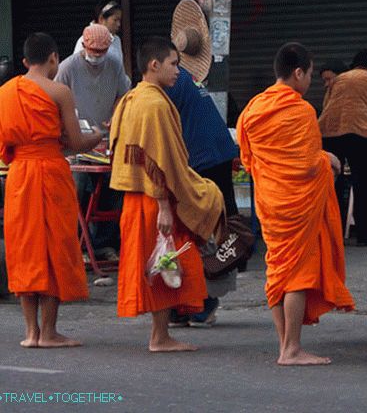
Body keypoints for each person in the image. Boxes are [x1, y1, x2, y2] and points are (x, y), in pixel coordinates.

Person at [237, 43, 354, 366]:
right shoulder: (301, 111)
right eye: (311, 74)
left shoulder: (253, 108)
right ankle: (292, 349)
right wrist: (326, 158)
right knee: (298, 274)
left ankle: (284, 345)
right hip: (297, 205)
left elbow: (247, 157)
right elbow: (305, 164)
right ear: (298, 72)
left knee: (278, 270)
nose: (311, 81)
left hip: (270, 202)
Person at [109, 37, 224, 352]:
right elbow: (160, 160)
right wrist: (164, 206)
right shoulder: (156, 104)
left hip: (134, 199)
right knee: (164, 265)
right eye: (173, 64)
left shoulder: (130, 100)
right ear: (154, 65)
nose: (178, 71)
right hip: (155, 200)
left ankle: (162, 333)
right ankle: (160, 337)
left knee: (159, 264)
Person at [0, 33, 102, 348]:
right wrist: (97, 135)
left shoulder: (6, 92)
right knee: (55, 247)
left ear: (25, 61)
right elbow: (74, 141)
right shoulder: (59, 91)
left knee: (25, 249)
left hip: (18, 176)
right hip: (51, 172)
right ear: (55, 58)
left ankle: (30, 333)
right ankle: (50, 332)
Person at [165, 67, 240, 328]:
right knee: (208, 231)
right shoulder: (182, 76)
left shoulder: (170, 82)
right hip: (212, 153)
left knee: (204, 232)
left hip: (203, 159)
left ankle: (203, 302)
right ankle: (188, 302)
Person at [56, 23, 131, 259]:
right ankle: (77, 242)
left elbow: (124, 95)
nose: (97, 56)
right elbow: (55, 102)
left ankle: (104, 243)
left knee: (114, 185)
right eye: (93, 51)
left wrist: (117, 116)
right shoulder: (68, 67)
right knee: (76, 188)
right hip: (76, 141)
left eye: (102, 52)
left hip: (105, 139)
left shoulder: (115, 65)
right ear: (84, 45)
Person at [318, 49, 367, 246]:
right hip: (359, 132)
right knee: (361, 183)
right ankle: (364, 236)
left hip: (329, 132)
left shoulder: (339, 79)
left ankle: (334, 234)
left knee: (334, 182)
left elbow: (327, 105)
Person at [74, 1, 124, 66]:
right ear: (101, 19)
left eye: (119, 20)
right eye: (115, 20)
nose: (119, 24)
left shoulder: (116, 40)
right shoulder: (84, 41)